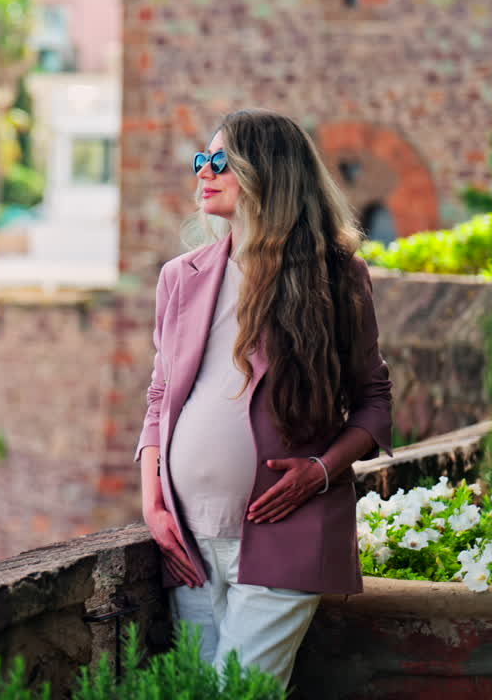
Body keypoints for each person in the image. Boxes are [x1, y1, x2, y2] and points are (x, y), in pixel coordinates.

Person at [135, 108, 392, 687]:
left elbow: (374, 400)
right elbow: (159, 399)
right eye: (201, 160)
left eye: (220, 161)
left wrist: (320, 473)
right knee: (201, 691)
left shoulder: (335, 276)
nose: (204, 171)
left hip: (286, 529)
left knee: (239, 693)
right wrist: (153, 501)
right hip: (188, 539)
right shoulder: (181, 276)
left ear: (267, 172)